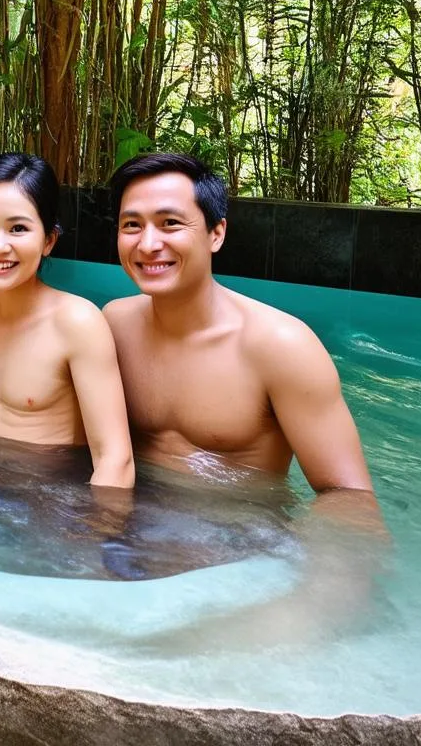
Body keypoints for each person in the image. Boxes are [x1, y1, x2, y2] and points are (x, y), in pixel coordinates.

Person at [103, 152, 384, 642]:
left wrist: (313, 609)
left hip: (236, 551)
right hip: (129, 537)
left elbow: (349, 497)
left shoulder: (280, 346)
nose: (149, 244)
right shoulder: (113, 325)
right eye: (132, 225)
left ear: (216, 233)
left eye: (171, 223)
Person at [0, 153, 135, 488]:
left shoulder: (76, 323)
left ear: (48, 240)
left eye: (18, 228)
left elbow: (115, 459)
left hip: (51, 499)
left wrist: (98, 532)